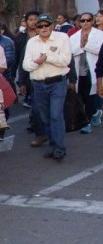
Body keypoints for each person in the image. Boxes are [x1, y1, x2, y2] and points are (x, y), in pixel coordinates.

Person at [22, 13, 73, 161]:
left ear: (52, 25)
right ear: (36, 28)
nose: (44, 28)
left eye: (46, 25)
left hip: (57, 83)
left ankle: (59, 149)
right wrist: (38, 62)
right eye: (40, 25)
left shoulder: (62, 38)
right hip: (38, 85)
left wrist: (47, 58)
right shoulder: (32, 42)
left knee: (56, 115)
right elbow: (26, 65)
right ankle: (54, 144)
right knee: (45, 117)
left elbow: (65, 60)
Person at [70, 12, 103, 132]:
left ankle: (86, 123)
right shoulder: (74, 36)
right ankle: (95, 113)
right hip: (79, 70)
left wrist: (85, 45)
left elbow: (100, 50)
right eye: (82, 20)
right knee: (82, 96)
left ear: (92, 21)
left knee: (90, 96)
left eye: (88, 20)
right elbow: (71, 51)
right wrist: (81, 46)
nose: (85, 23)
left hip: (93, 69)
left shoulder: (100, 35)